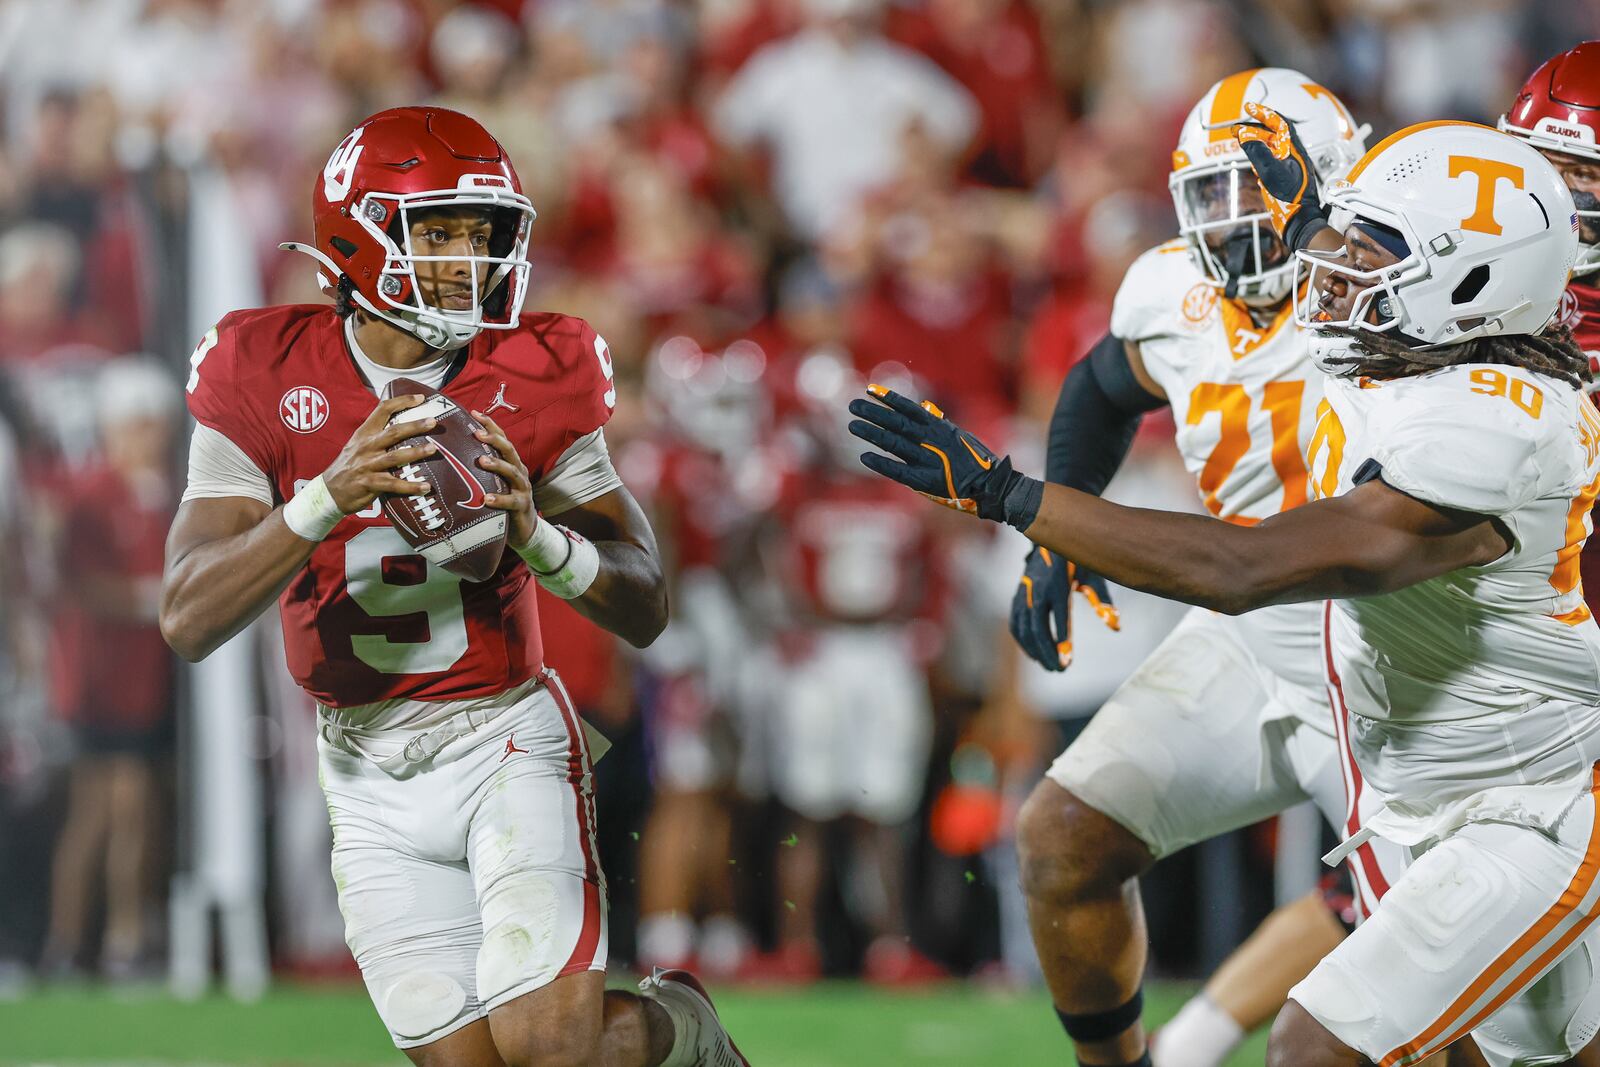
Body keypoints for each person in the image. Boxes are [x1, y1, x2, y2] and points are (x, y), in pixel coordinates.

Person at [850, 117, 1600, 1066]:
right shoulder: (1404, 346)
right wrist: (1319, 218)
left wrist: (1013, 496)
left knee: (1317, 1046)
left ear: (1468, 288)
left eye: (1373, 250)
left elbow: (1242, 569)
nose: (1330, 272)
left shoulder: (1497, 426)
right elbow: (1146, 372)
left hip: (1531, 798)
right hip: (1413, 770)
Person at [159, 107, 746, 1067]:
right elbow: (187, 615)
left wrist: (538, 537)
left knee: (546, 1050)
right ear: (357, 231)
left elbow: (646, 600)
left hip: (503, 734)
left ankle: (682, 1032)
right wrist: (325, 497)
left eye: (481, 232)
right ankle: (677, 1035)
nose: (468, 257)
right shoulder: (260, 366)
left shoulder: (535, 365)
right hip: (362, 767)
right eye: (437, 231)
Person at [1156, 44, 1600, 1067]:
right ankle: (1193, 1037)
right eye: (1555, 169)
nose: (1570, 199)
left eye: (1592, 178)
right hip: (1461, 679)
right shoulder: (1485, 273)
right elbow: (1360, 291)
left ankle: (1189, 1039)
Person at [1001, 67, 1400, 1067]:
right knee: (1062, 839)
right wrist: (1058, 533)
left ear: (1327, 179)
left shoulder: (1397, 289)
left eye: (1252, 187)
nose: (1229, 223)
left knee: (1431, 973)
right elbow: (1099, 390)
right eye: (1207, 194)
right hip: (1247, 639)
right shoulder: (1166, 289)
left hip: (1391, 651)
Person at [42, 358, 178, 980]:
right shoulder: (94, 495)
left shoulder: (166, 496)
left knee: (134, 807)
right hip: (99, 683)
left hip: (146, 682)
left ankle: (110, 939)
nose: (146, 438)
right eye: (135, 425)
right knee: (107, 807)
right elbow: (75, 584)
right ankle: (86, 942)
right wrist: (148, 599)